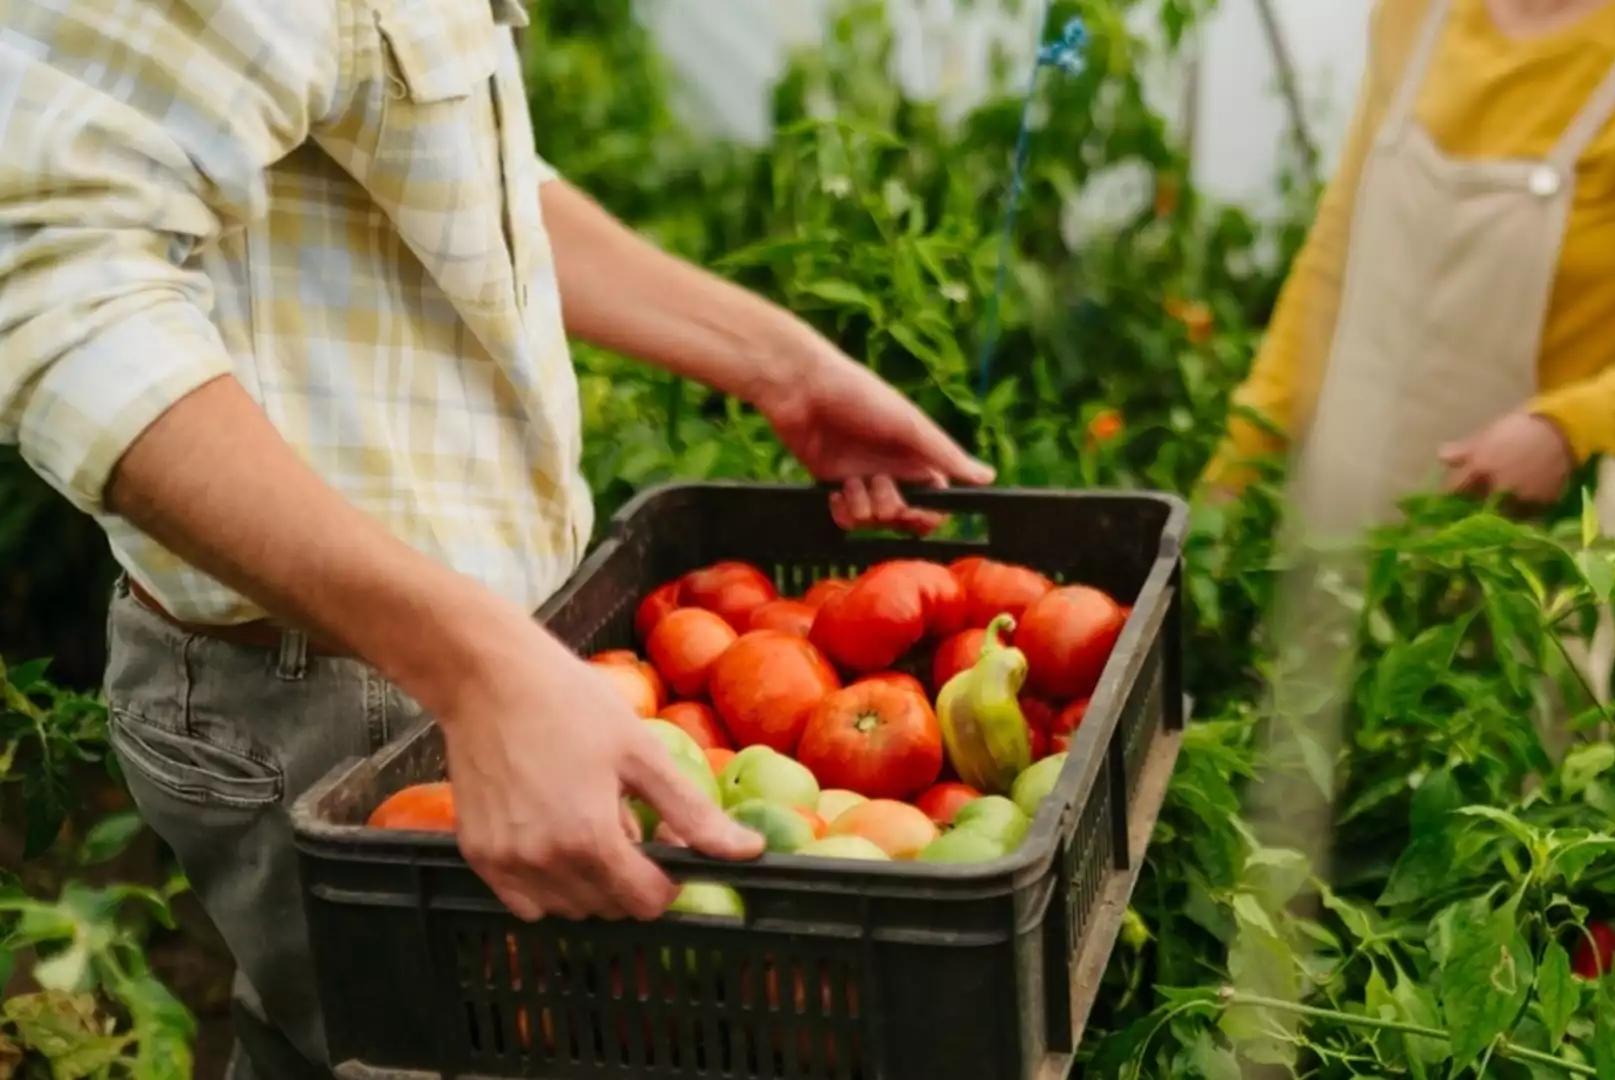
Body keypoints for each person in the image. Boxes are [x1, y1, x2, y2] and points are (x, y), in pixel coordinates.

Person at [0, 2, 991, 1077]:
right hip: (338, 686)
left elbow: (465, 178)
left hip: (479, 659)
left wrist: (774, 363)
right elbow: (55, 296)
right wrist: (476, 668)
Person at [1203, 0, 1615, 552]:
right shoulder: (1415, 12)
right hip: (1328, 532)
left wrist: (1572, 429)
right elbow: (1335, 261)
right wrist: (1237, 468)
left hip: (1516, 571)